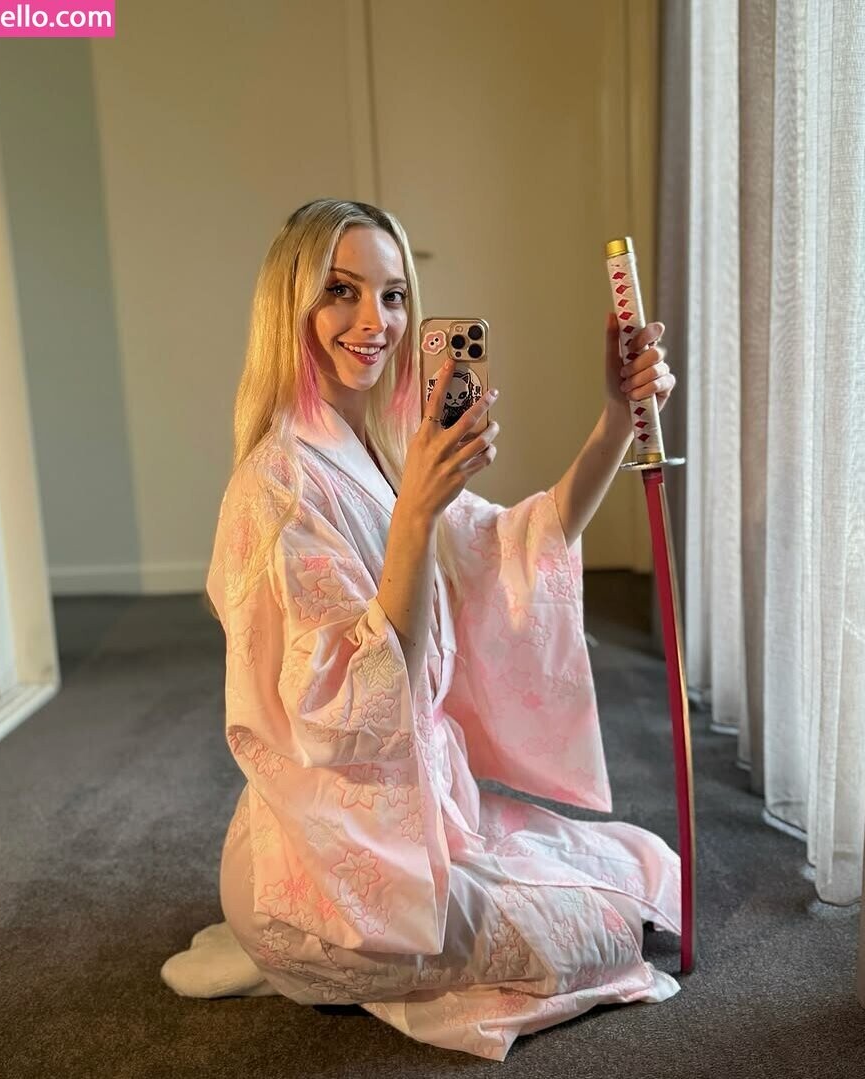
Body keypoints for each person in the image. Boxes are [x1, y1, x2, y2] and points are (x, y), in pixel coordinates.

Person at [163, 198, 679, 1061]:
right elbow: (346, 713)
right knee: (604, 933)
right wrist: (413, 518)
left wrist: (613, 417)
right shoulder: (275, 488)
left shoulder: (385, 451)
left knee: (643, 866)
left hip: (435, 811)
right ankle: (286, 951)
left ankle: (408, 926)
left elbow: (516, 546)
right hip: (335, 867)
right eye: (342, 291)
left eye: (394, 295)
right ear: (292, 305)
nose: (376, 322)